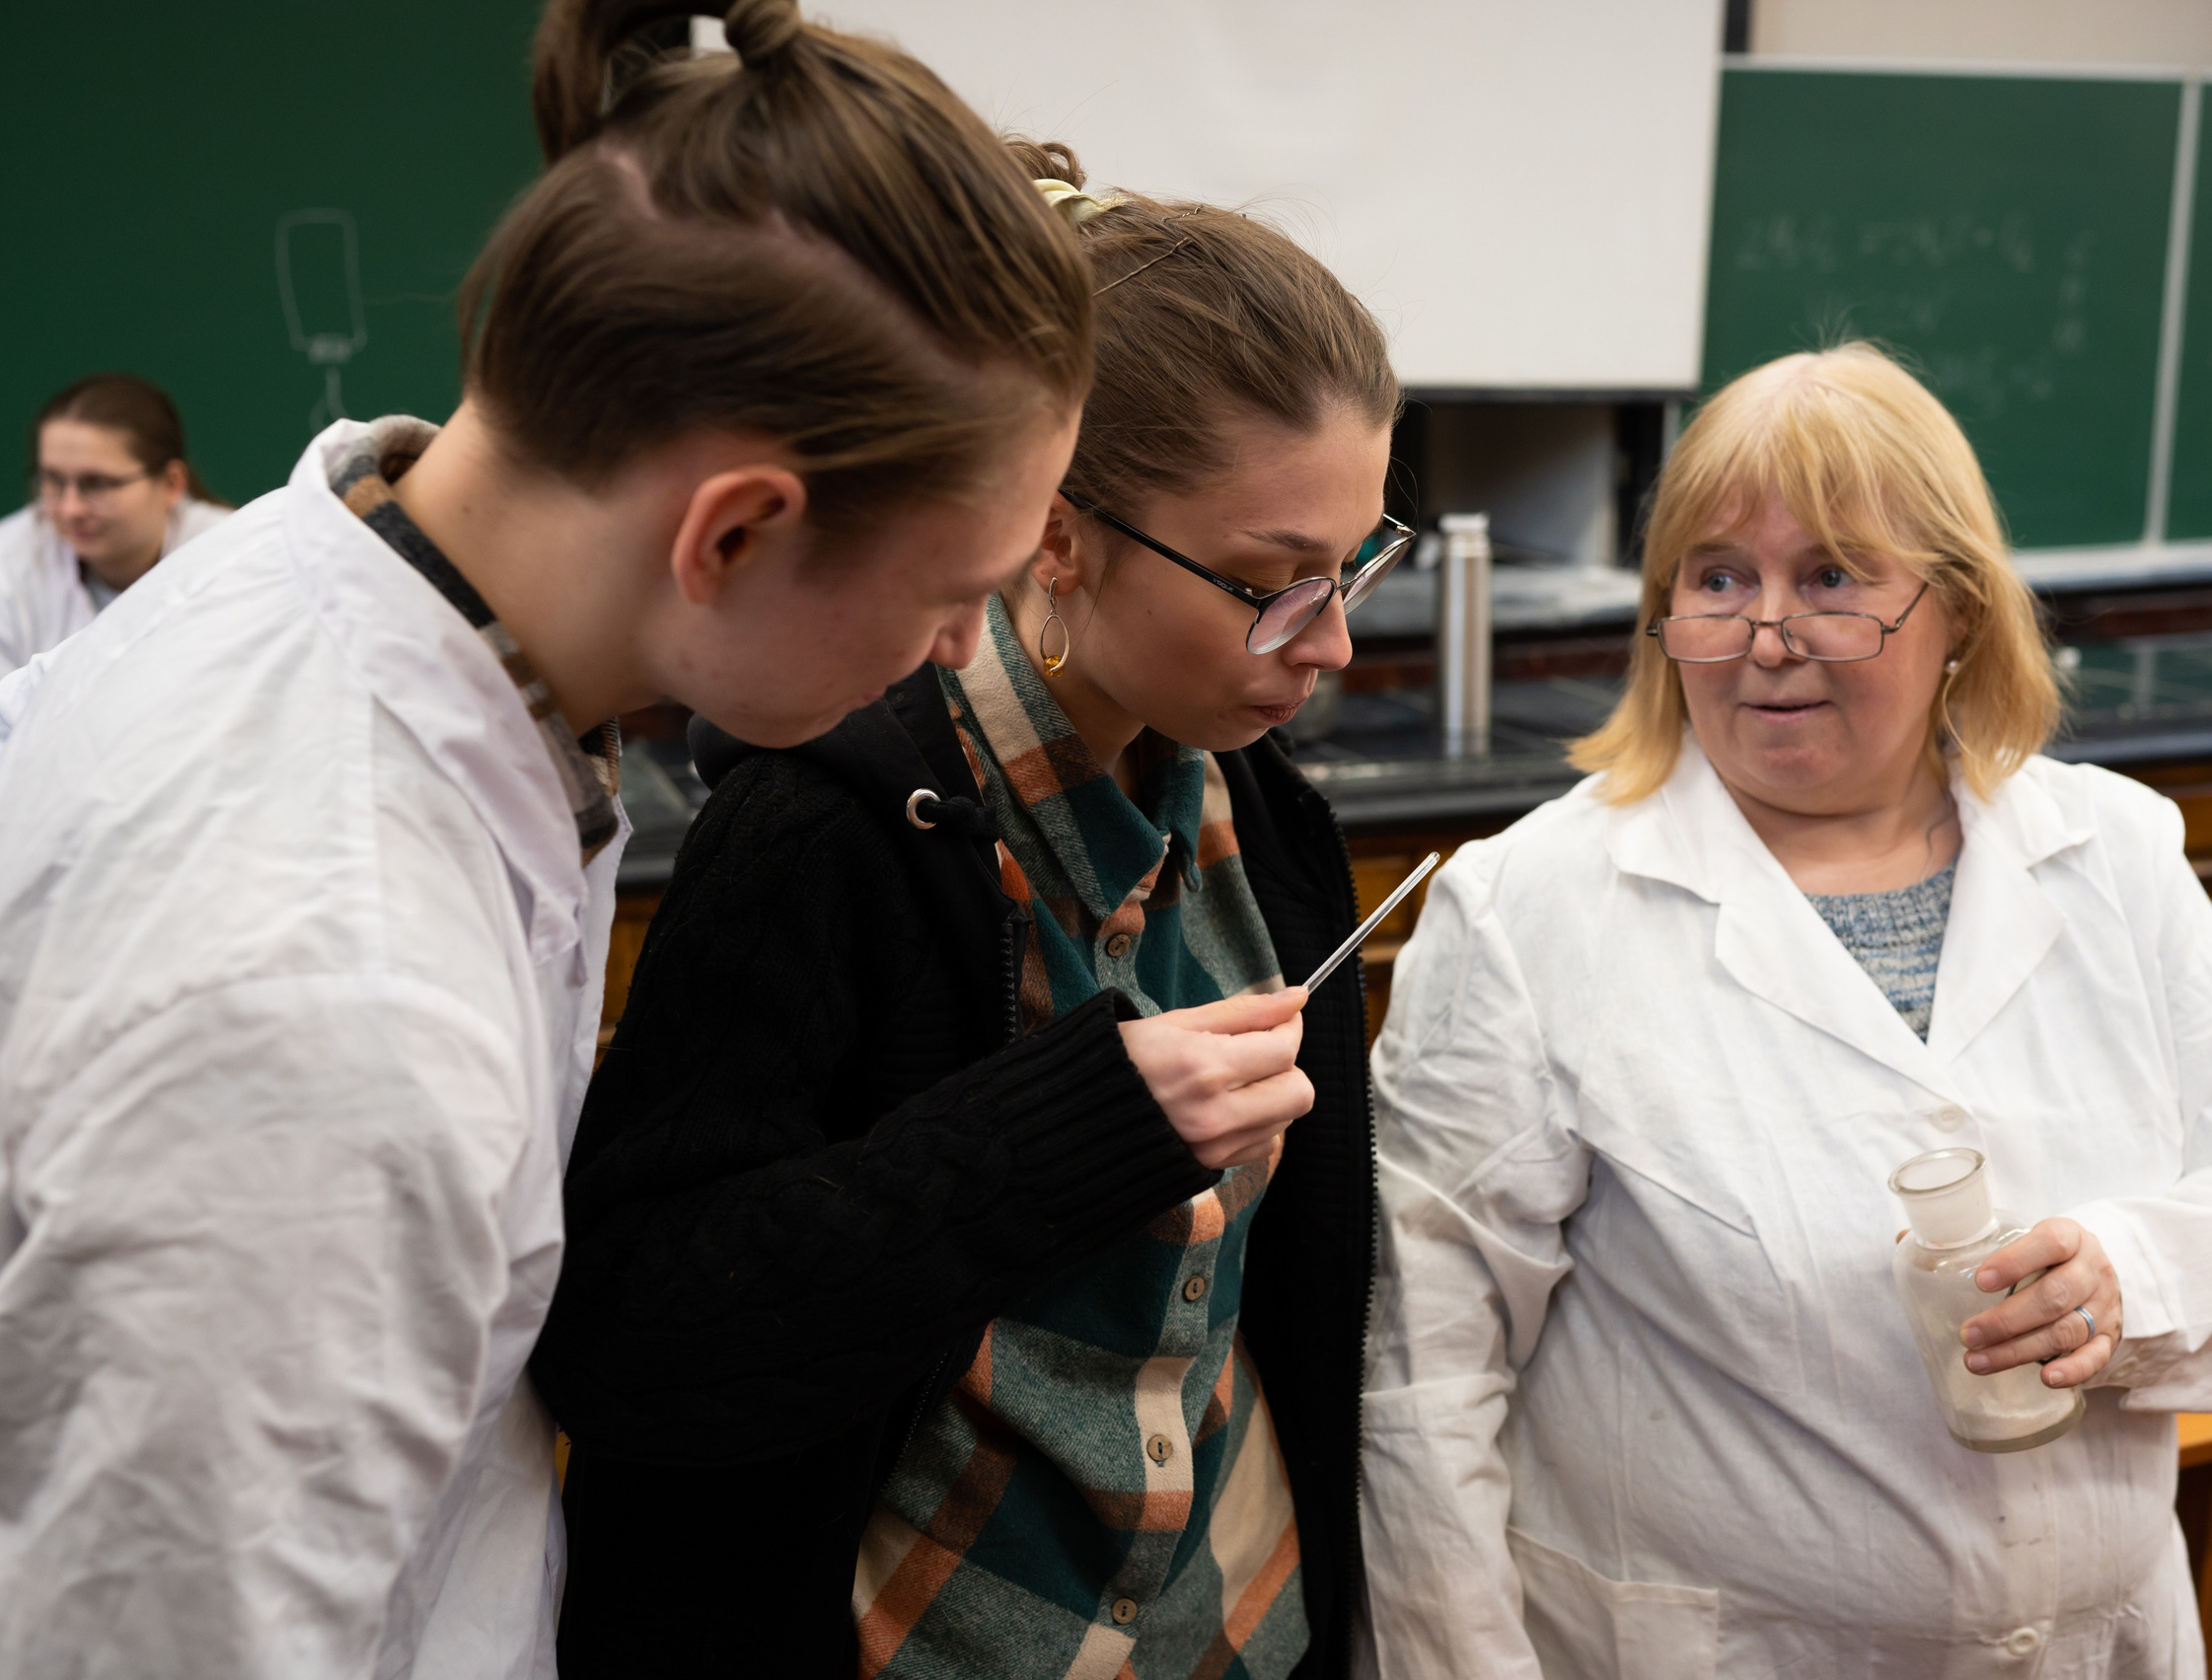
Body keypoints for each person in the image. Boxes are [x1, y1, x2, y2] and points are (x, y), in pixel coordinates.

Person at [0, 2, 1111, 1675]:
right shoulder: (329, 1008)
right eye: (958, 590)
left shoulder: (358, 568)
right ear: (734, 529)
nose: (963, 649)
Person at [1356, 343, 2212, 1679]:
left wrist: (2126, 1275)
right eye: (1719, 578)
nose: (1769, 634)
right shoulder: (1531, 910)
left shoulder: (2114, 852)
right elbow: (1420, 1383)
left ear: (1957, 611)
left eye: (1833, 577)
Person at [529, 141, 1407, 1680]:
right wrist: (1070, 1129)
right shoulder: (828, 821)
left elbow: (1290, 1316)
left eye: (1358, 565)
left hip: (1235, 1627)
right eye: (1278, 582)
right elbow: (634, 1332)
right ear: (1058, 531)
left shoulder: (1261, 813)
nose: (1329, 644)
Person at [0, 374, 228, 676]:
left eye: (97, 484)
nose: (71, 509)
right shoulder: (11, 561)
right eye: (53, 481)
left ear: (172, 484)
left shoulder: (230, 556)